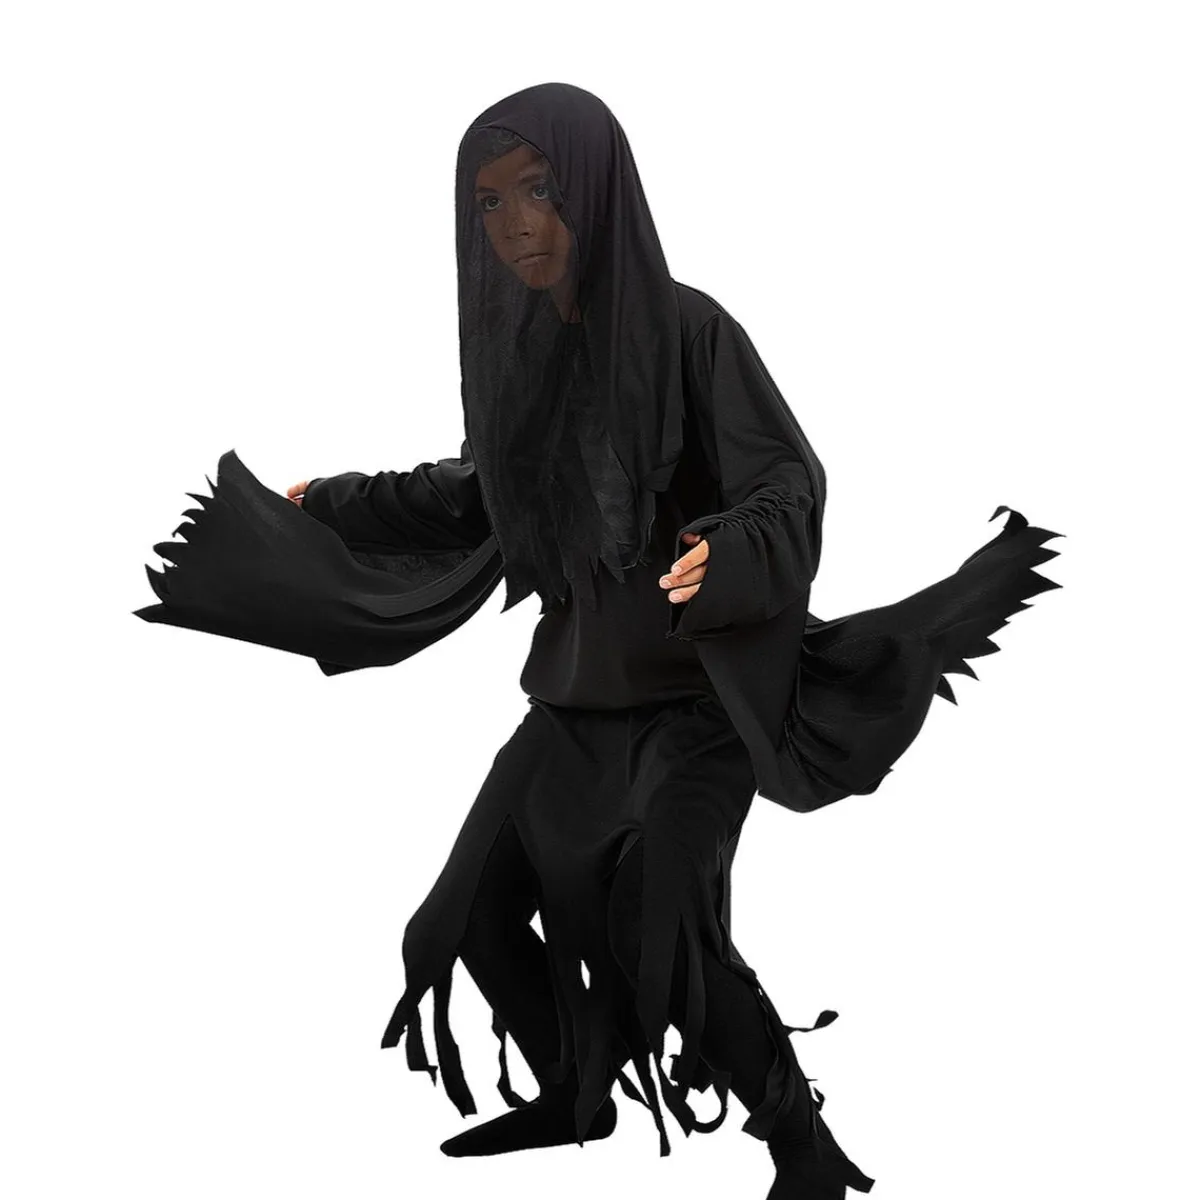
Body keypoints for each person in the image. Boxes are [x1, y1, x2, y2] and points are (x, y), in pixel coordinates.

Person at [135, 82, 1063, 1199]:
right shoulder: (526, 358)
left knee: (659, 936)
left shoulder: (693, 330)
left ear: (596, 190)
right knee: (459, 921)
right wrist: (330, 504)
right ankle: (575, 1091)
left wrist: (729, 551)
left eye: (538, 189)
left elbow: (788, 482)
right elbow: (475, 493)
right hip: (573, 707)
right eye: (488, 203)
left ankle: (802, 1147)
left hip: (696, 715)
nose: (514, 223)